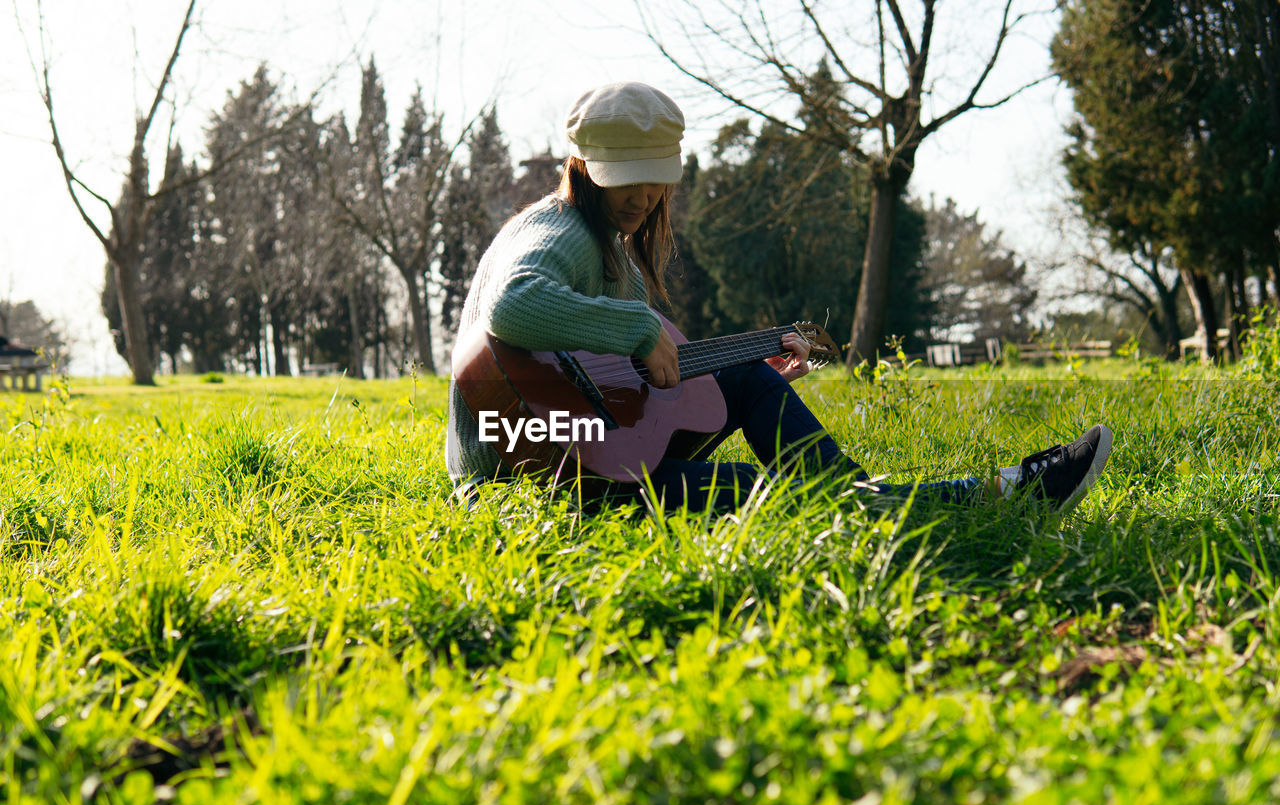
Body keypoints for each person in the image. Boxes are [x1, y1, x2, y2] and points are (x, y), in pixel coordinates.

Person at [446, 81, 1112, 514]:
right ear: (584, 168)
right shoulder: (560, 230)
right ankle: (995, 496)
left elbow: (618, 383)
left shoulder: (606, 246)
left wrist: (707, 365)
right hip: (525, 485)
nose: (643, 197)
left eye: (655, 182)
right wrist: (640, 330)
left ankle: (914, 493)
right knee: (791, 498)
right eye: (628, 180)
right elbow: (513, 306)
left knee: (742, 375)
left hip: (577, 456)